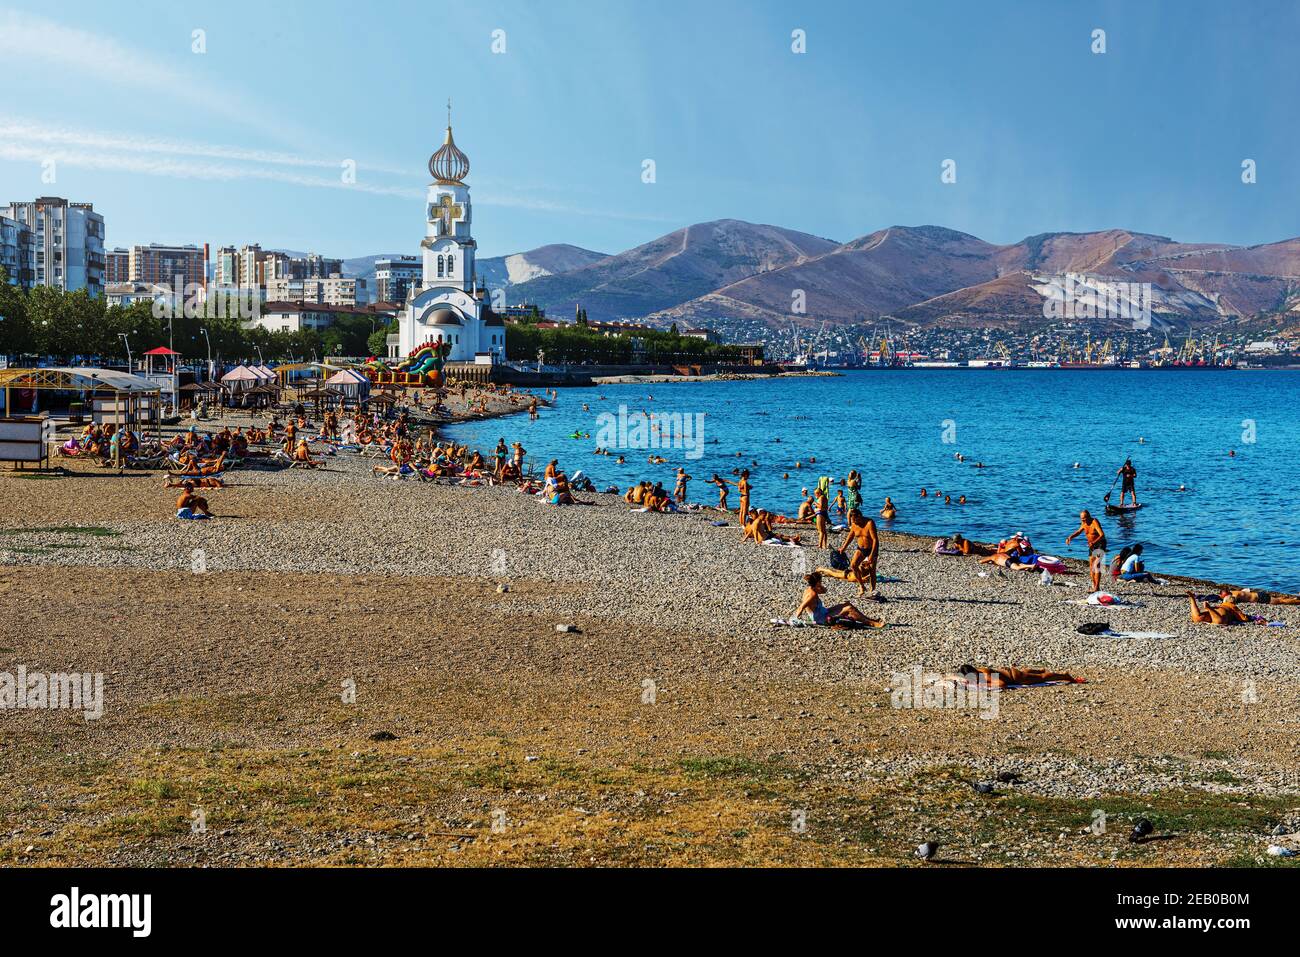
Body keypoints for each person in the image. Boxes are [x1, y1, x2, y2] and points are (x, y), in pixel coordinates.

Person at [792, 572, 882, 628]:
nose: (822, 583)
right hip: (821, 618)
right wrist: (795, 618)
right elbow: (802, 606)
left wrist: (819, 585)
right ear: (817, 582)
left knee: (847, 604)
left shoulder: (812, 589)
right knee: (849, 609)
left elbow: (824, 591)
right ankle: (872, 623)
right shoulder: (812, 594)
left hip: (823, 612)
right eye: (821, 582)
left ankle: (869, 619)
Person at [827, 508, 880, 597]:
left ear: (859, 516)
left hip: (872, 549)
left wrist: (872, 555)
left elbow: (875, 540)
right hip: (861, 549)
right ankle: (861, 586)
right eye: (852, 520)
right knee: (853, 565)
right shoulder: (854, 524)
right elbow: (850, 536)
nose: (853, 522)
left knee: (872, 570)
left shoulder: (869, 523)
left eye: (854, 520)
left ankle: (872, 590)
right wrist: (843, 548)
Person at [1066, 510, 1107, 592]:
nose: (1083, 521)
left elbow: (1102, 535)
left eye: (1084, 519)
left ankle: (1097, 587)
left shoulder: (1094, 522)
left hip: (1100, 544)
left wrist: (1093, 542)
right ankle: (1094, 586)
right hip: (1091, 545)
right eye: (1081, 519)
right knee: (1091, 566)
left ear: (1089, 517)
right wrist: (1070, 537)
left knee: (1097, 565)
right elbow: (1079, 531)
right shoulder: (1084, 523)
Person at [957, 664, 1084, 689]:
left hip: (1016, 678)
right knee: (1034, 673)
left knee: (1044, 678)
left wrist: (982, 685)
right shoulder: (979, 671)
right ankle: (1038, 669)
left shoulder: (985, 675)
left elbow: (1002, 684)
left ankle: (1066, 676)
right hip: (1012, 672)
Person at [1223, 586, 1300, 606]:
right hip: (1259, 595)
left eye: (1225, 596)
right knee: (1279, 599)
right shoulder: (1233, 592)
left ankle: (1298, 601)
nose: (1224, 597)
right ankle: (1295, 597)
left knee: (1281, 602)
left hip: (1260, 598)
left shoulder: (1235, 594)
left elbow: (1232, 601)